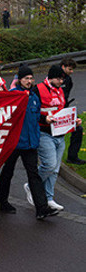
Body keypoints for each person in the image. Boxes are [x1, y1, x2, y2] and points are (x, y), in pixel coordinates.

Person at [0, 66, 59, 219]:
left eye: (31, 78)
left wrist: (45, 119)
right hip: (14, 143)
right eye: (26, 79)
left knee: (34, 175)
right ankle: (2, 201)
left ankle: (41, 208)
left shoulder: (33, 96)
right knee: (7, 172)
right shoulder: (13, 95)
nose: (29, 81)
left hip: (30, 143)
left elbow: (36, 116)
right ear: (20, 80)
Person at [35, 65, 81, 211]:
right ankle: (32, 186)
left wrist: (73, 120)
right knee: (49, 165)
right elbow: (32, 111)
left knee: (54, 170)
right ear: (51, 77)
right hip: (44, 133)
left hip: (59, 134)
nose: (61, 82)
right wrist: (44, 119)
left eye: (63, 79)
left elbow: (63, 110)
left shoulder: (60, 90)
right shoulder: (38, 90)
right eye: (59, 79)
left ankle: (48, 198)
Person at [61, 58, 84, 164]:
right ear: (63, 67)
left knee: (78, 129)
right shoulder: (54, 78)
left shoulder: (68, 80)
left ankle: (72, 156)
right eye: (70, 69)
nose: (72, 71)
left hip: (64, 108)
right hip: (55, 111)